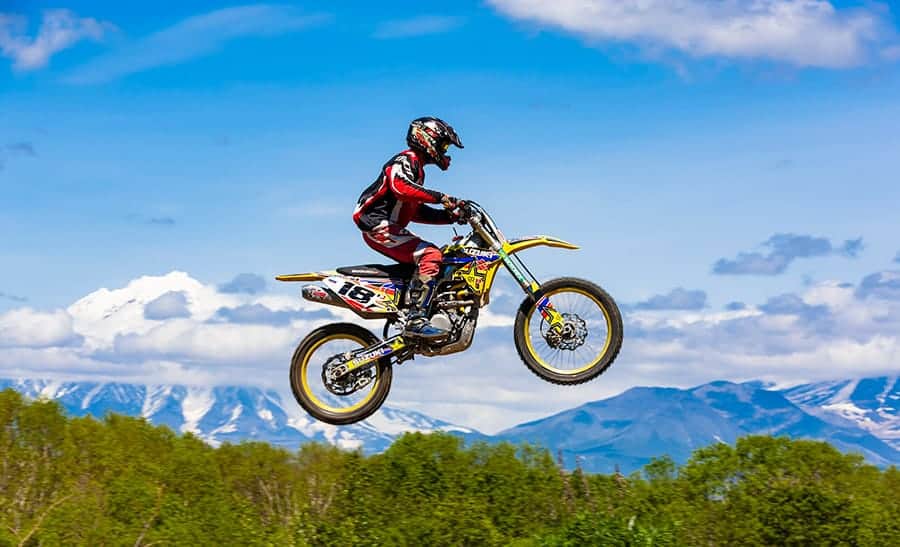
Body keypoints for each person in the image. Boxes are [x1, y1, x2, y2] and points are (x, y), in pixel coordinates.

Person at [353, 117, 465, 339]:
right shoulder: (406, 159)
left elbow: (415, 211)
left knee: (440, 257)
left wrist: (451, 217)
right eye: (442, 145)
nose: (444, 151)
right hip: (377, 225)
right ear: (426, 138)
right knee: (431, 254)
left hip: (387, 226)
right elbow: (400, 187)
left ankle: (419, 306)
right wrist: (441, 197)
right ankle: (416, 318)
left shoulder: (417, 170)